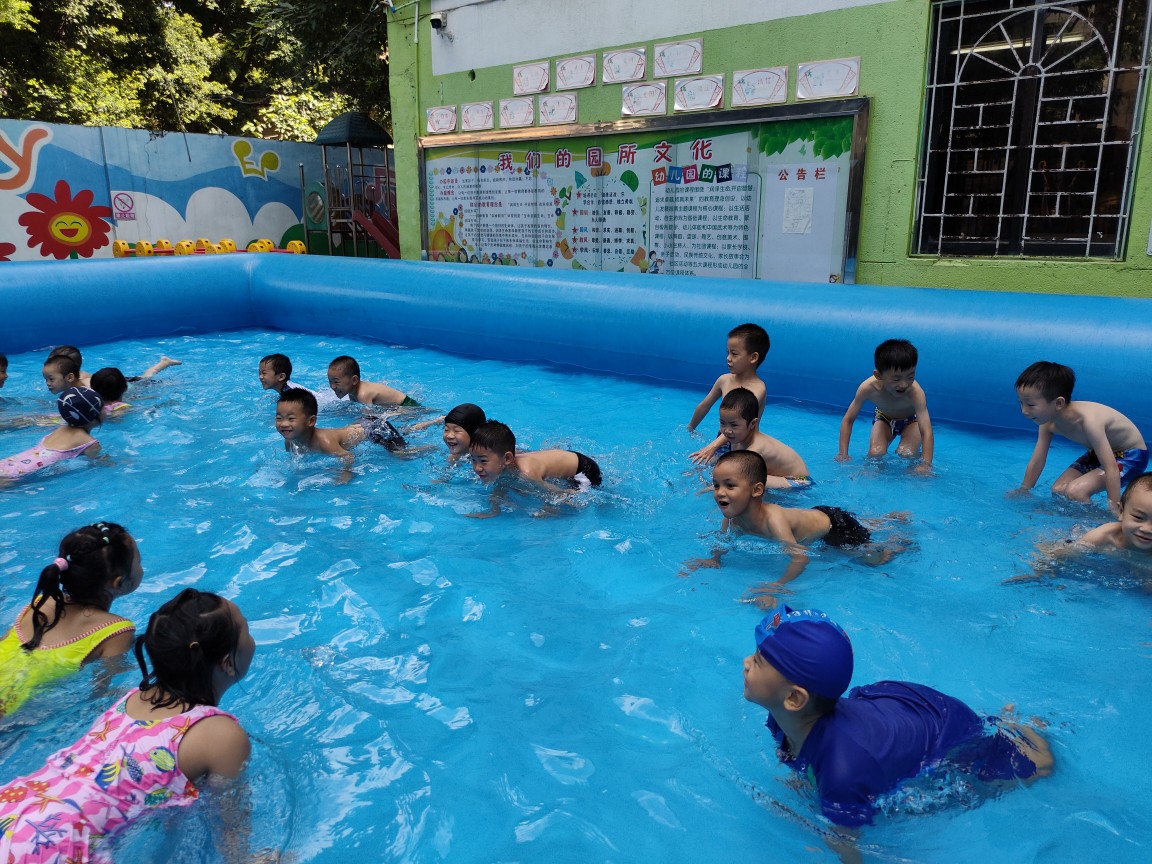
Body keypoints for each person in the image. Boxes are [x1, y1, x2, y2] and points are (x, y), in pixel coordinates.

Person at [743, 604, 1052, 860]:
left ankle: (1019, 728)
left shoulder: (842, 773)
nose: (745, 663)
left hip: (948, 731)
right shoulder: (781, 718)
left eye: (757, 661)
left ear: (794, 698)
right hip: (893, 710)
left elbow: (845, 842)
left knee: (1028, 770)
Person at [0, 588, 257, 862]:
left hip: (17, 803)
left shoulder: (132, 698)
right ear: (228, 663)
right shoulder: (223, 735)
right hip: (57, 843)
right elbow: (229, 828)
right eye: (246, 628)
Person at [685, 451, 905, 596]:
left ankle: (897, 542)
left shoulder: (774, 521)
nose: (719, 492)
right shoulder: (731, 517)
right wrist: (714, 559)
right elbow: (725, 540)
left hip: (834, 526)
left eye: (729, 486)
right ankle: (883, 520)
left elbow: (801, 557)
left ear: (757, 490)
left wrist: (778, 585)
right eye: (716, 485)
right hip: (813, 515)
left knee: (870, 559)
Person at [0, 522, 141, 716]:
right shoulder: (117, 630)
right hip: (11, 707)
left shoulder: (41, 602)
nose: (141, 568)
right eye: (139, 563)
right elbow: (102, 692)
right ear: (118, 582)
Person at [1015, 361, 1147, 514]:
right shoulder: (1047, 422)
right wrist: (1024, 489)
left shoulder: (1089, 422)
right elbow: (1037, 460)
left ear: (1058, 403)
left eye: (1030, 405)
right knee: (1058, 490)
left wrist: (1114, 510)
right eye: (1021, 403)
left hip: (1131, 456)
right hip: (1099, 454)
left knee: (1076, 491)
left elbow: (1111, 468)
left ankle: (1098, 521)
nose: (1024, 411)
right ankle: (1075, 520)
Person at [468, 420, 602, 517]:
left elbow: (556, 493)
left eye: (483, 461)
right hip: (564, 457)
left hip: (584, 470)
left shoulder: (526, 474)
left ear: (507, 458)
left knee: (573, 503)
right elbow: (500, 485)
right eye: (473, 460)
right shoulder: (502, 465)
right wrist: (494, 509)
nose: (477, 468)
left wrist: (549, 508)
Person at [838, 339, 933, 472]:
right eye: (896, 379)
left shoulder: (916, 393)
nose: (904, 384)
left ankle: (914, 460)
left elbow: (926, 431)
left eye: (910, 377)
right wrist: (843, 454)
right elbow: (848, 420)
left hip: (912, 421)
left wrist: (925, 465)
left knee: (907, 453)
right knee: (875, 454)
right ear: (878, 375)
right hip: (884, 419)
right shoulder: (867, 388)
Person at [690, 387, 811, 488]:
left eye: (734, 425)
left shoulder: (755, 449)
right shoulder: (738, 436)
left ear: (752, 424)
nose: (726, 430)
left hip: (800, 481)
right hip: (779, 474)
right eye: (722, 423)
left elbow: (729, 481)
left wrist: (704, 490)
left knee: (742, 479)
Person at [275, 388, 405, 481]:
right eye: (279, 418)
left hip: (374, 427)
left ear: (311, 421)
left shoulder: (324, 442)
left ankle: (415, 437)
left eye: (291, 419)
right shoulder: (289, 441)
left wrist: (346, 473)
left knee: (402, 454)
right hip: (359, 425)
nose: (283, 424)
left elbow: (348, 456)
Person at [687, 323, 770, 463]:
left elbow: (739, 422)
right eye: (728, 353)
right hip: (724, 440)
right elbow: (704, 405)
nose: (728, 358)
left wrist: (712, 446)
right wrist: (690, 428)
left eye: (734, 354)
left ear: (753, 357)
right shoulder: (724, 380)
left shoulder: (758, 389)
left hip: (745, 446)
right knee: (698, 467)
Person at [0, 386, 104, 480]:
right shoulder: (90, 443)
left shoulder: (61, 429)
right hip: (19, 474)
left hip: (10, 462)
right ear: (94, 416)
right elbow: (96, 464)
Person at [90, 357, 182, 416]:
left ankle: (165, 362)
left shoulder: (120, 407)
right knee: (147, 375)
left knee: (147, 377)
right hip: (123, 382)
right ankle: (164, 362)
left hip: (134, 385)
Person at [327, 355, 419, 407]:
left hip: (407, 406)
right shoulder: (352, 391)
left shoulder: (363, 394)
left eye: (336, 382)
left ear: (354, 380)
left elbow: (370, 420)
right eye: (330, 381)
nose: (332, 386)